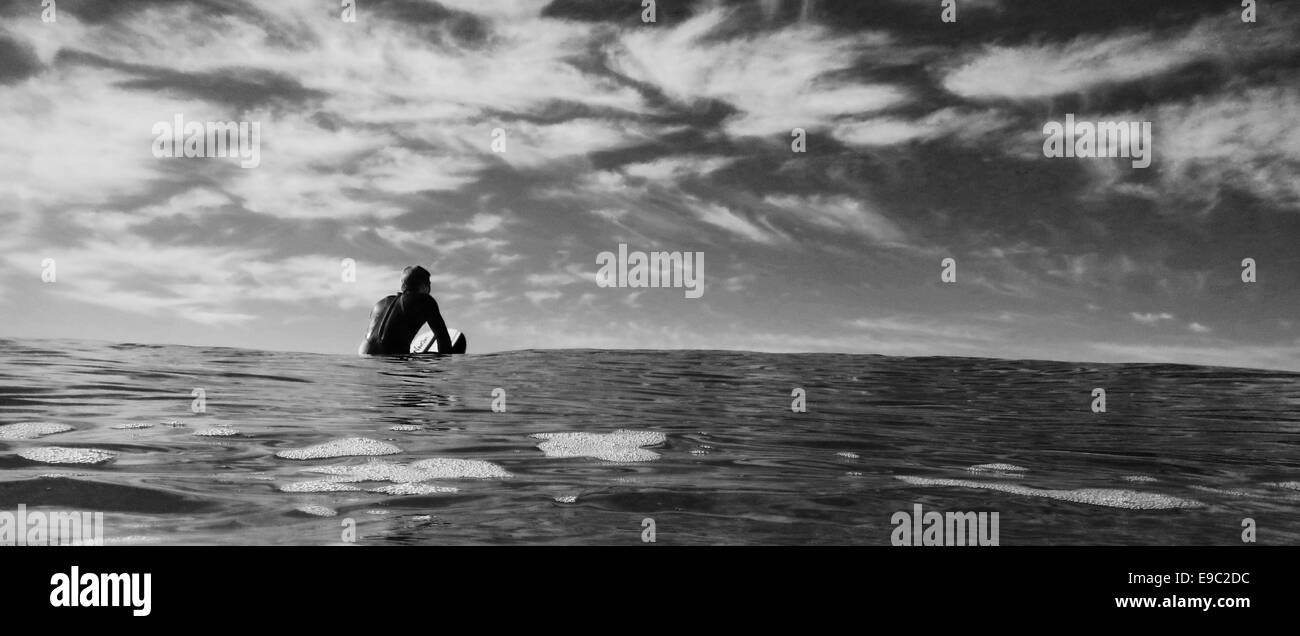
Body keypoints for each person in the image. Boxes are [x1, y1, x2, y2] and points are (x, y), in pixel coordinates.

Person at [358, 265, 454, 355]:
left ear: (403, 285)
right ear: (425, 286)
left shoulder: (381, 303)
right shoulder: (425, 300)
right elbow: (443, 340)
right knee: (430, 356)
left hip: (364, 359)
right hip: (392, 362)